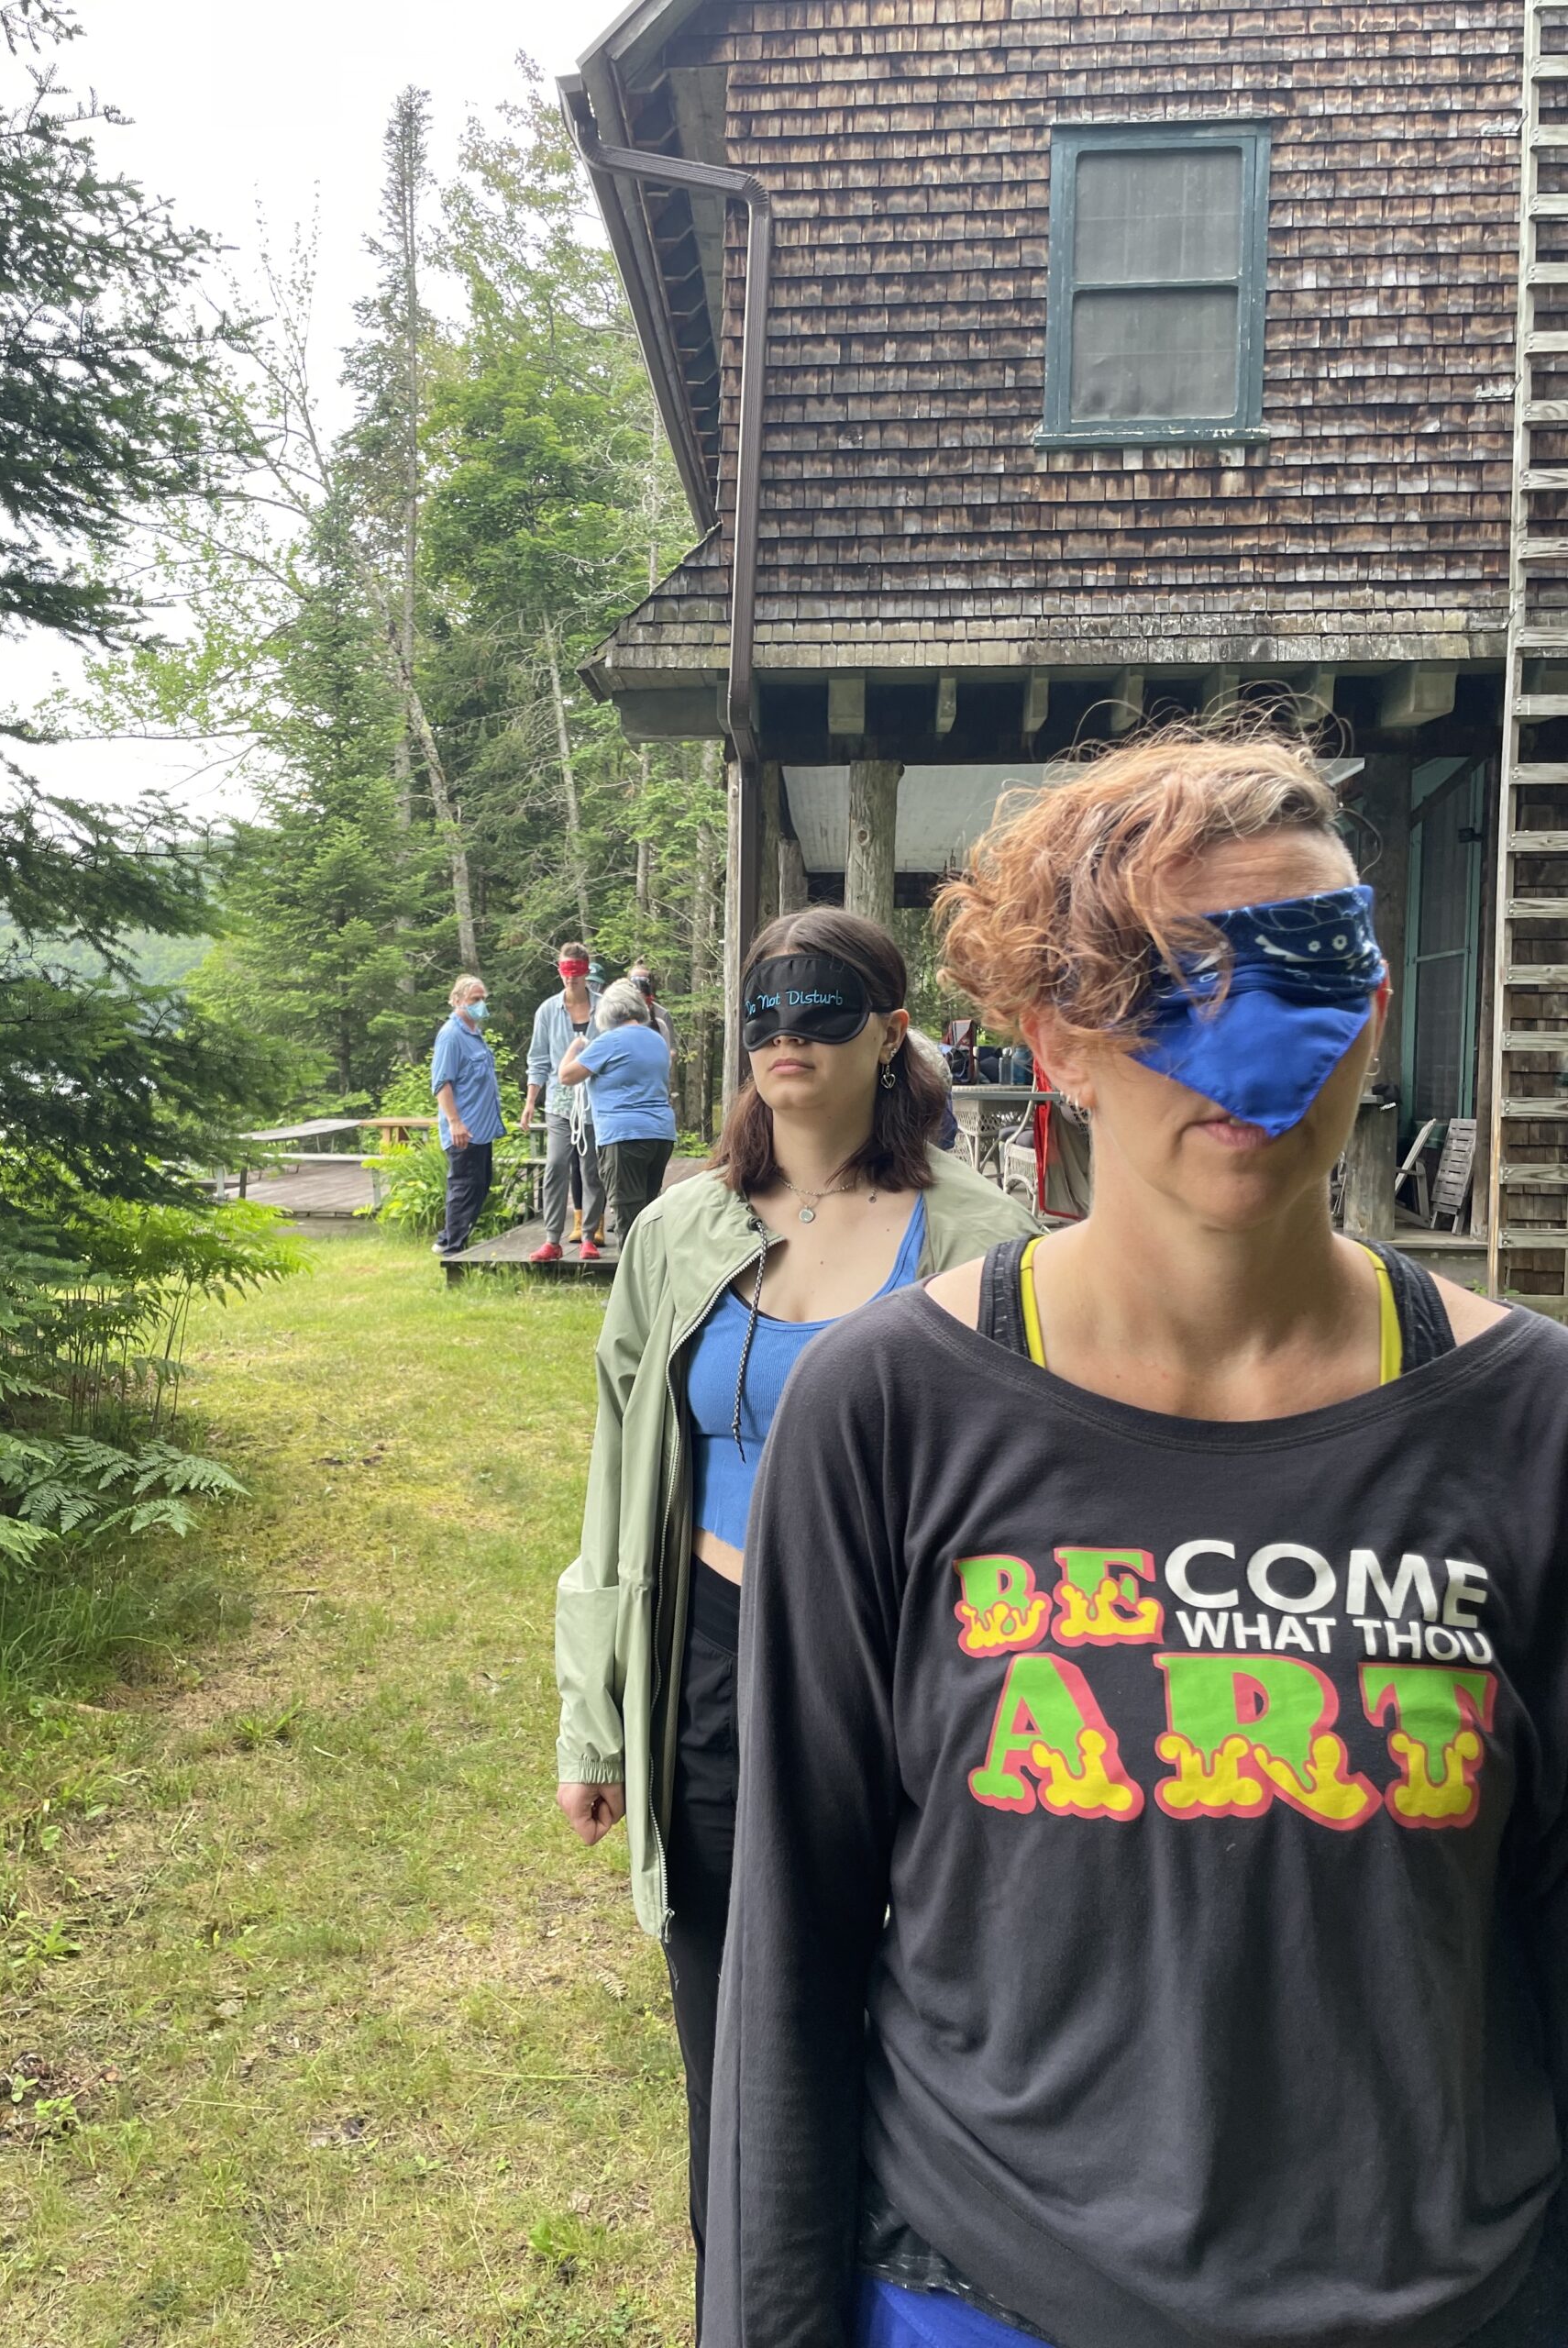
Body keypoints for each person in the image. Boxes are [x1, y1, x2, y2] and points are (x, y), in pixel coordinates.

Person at [702, 734, 1568, 2348]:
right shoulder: (887, 1411)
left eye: (1305, 975)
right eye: (1163, 985)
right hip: (989, 2293)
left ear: (1373, 1015)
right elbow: (795, 1941)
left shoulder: (1531, 1418)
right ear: (1058, 1041)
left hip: (1452, 2296)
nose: (1245, 1053)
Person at [553, 910, 1035, 2336]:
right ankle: (749, 2297)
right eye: (763, 1015)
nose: (785, 1042)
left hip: (911, 1682)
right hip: (713, 1659)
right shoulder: (677, 1230)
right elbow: (611, 1478)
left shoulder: (980, 1238)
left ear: (894, 1033)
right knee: (729, 2016)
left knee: (924, 2000)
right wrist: (595, 1714)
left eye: (823, 1015)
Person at [559, 978, 678, 1243]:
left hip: (623, 1137)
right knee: (648, 1211)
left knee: (627, 1216)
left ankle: (629, 1280)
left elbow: (566, 1076)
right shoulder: (657, 1040)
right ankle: (652, 1278)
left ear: (606, 1011)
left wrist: (575, 1047)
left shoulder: (609, 1042)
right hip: (660, 1134)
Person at [520, 942, 607, 1265]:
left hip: (594, 1104)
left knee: (592, 1170)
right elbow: (538, 1059)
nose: (570, 978)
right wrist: (531, 1102)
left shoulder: (604, 1009)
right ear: (559, 971)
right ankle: (552, 1239)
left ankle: (589, 1237)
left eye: (576, 971)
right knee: (556, 1165)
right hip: (559, 1103)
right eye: (565, 971)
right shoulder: (546, 1011)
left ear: (586, 972)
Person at [428, 973, 505, 1259]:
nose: (481, 1004)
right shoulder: (451, 1035)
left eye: (483, 998)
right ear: (457, 1000)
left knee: (480, 1184)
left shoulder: (474, 1033)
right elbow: (442, 1083)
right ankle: (453, 1252)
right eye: (475, 999)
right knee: (463, 1187)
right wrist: (454, 1122)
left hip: (481, 1130)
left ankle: (448, 1237)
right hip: (464, 1130)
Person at [628, 962, 678, 1061]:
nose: (639, 987)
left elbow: (672, 1050)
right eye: (635, 981)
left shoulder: (662, 1015)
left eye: (643, 981)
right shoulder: (620, 1012)